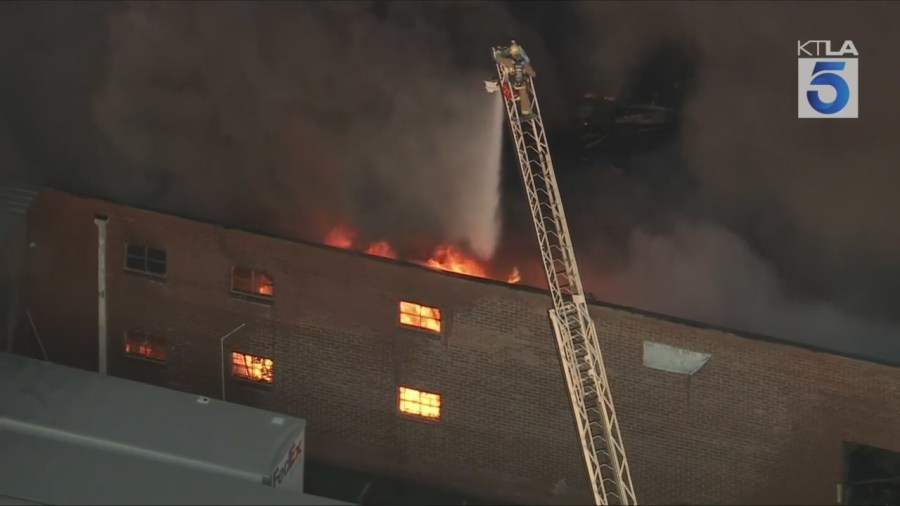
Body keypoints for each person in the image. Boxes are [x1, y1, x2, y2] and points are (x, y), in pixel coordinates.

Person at [493, 41, 537, 121]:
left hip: (513, 87)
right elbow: (533, 74)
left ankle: (525, 113)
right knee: (523, 94)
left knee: (519, 92)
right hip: (521, 87)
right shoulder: (524, 63)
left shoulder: (511, 62)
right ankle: (526, 113)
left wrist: (498, 52)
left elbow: (498, 58)